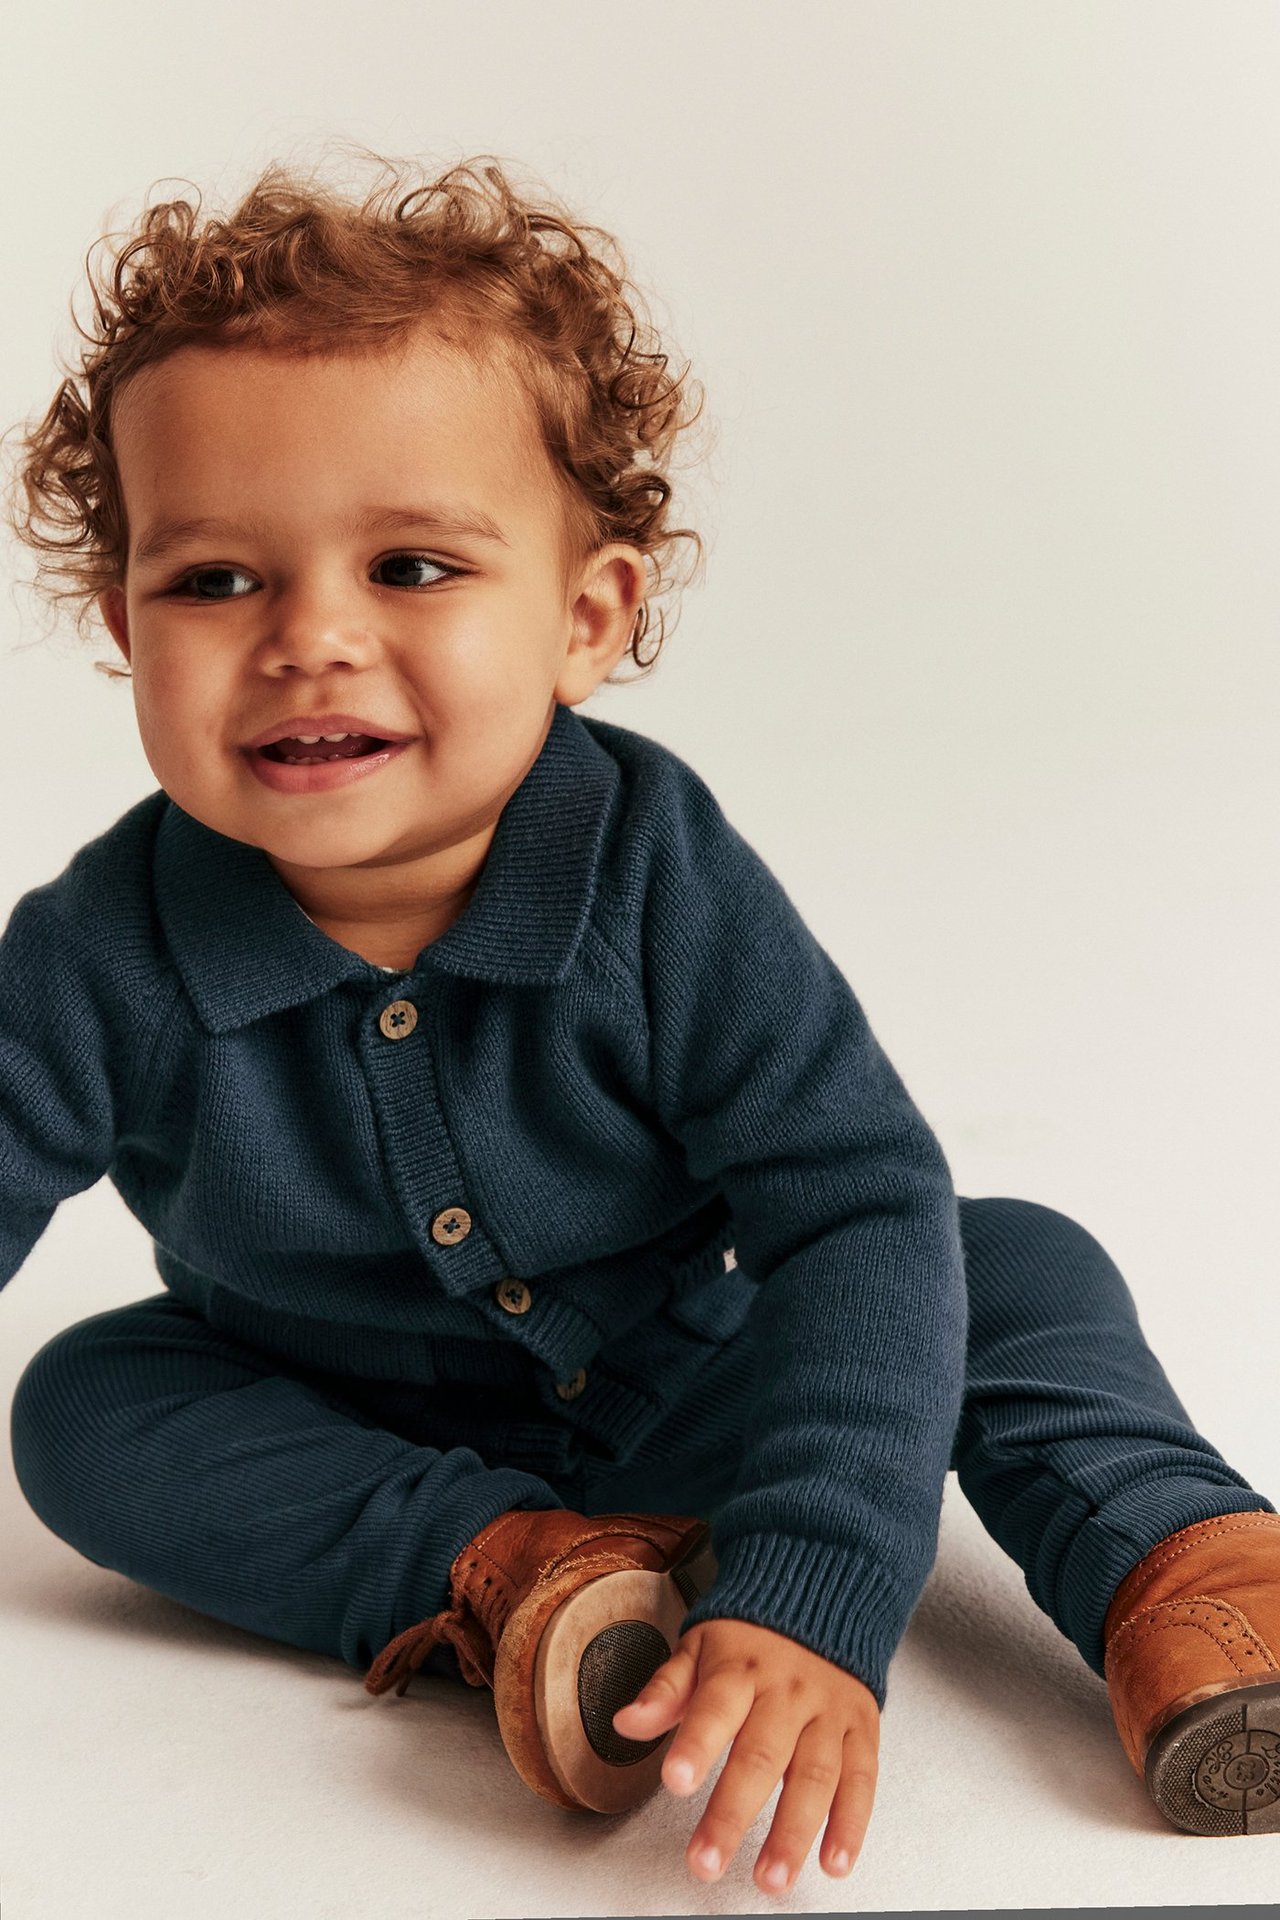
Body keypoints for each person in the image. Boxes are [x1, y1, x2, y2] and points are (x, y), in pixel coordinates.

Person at [3, 147, 1279, 1903]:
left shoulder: (647, 877)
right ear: (120, 618)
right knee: (83, 1405)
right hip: (335, 1426)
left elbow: (842, 1205)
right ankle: (521, 1579)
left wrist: (809, 1591)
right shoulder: (103, 947)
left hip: (707, 1389)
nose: (309, 639)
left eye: (412, 566)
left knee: (999, 1262)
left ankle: (1189, 1570)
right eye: (213, 582)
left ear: (584, 617)